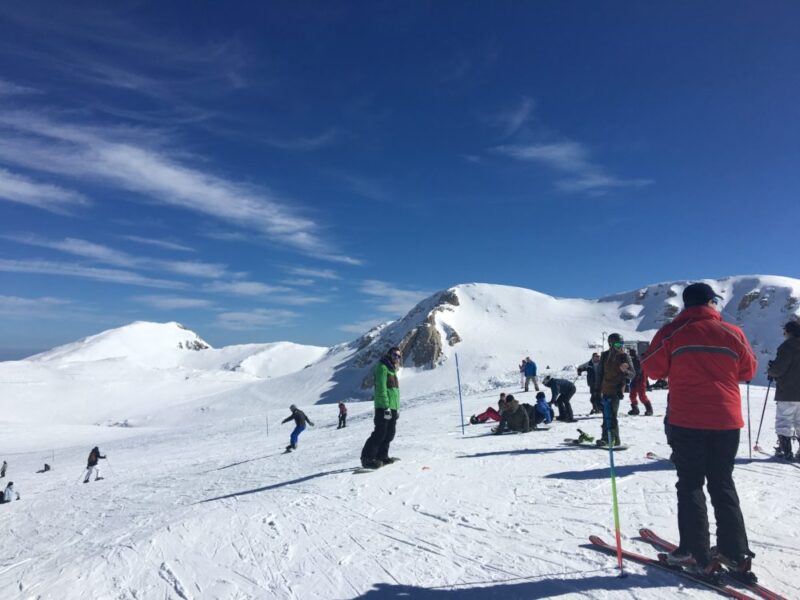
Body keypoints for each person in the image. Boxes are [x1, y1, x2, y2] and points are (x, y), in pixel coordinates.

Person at [641, 282, 757, 576]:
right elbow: (748, 371)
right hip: (727, 420)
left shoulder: (672, 332)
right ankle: (734, 552)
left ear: (686, 304)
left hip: (687, 419)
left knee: (691, 483)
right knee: (722, 482)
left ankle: (695, 552)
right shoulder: (734, 333)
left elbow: (653, 369)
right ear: (711, 302)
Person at [360, 347, 402, 469]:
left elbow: (395, 391)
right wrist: (386, 407)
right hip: (384, 407)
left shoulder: (392, 370)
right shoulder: (382, 367)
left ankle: (382, 456)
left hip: (393, 407)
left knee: (390, 433)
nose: (397, 358)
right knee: (380, 432)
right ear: (389, 354)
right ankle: (367, 458)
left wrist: (396, 408)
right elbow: (381, 389)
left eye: (399, 356)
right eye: (395, 355)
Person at [767, 320, 800, 461]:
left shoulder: (787, 347)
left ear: (789, 332)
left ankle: (785, 451)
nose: (783, 334)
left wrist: (771, 369)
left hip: (788, 391)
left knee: (784, 420)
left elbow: (778, 370)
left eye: (785, 331)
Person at [595, 333, 635, 447]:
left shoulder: (624, 356)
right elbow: (599, 374)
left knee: (611, 415)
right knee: (606, 416)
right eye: (618, 344)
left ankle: (610, 439)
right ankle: (608, 438)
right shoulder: (605, 355)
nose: (620, 346)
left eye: (622, 344)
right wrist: (596, 391)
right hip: (605, 390)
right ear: (610, 344)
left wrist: (626, 371)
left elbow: (633, 374)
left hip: (616, 390)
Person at [628, 348, 654, 416]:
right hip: (634, 379)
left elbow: (639, 371)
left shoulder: (637, 360)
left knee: (642, 396)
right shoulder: (631, 360)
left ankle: (649, 409)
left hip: (640, 380)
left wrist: (636, 377)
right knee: (632, 395)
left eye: (631, 354)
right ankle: (635, 409)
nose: (630, 355)